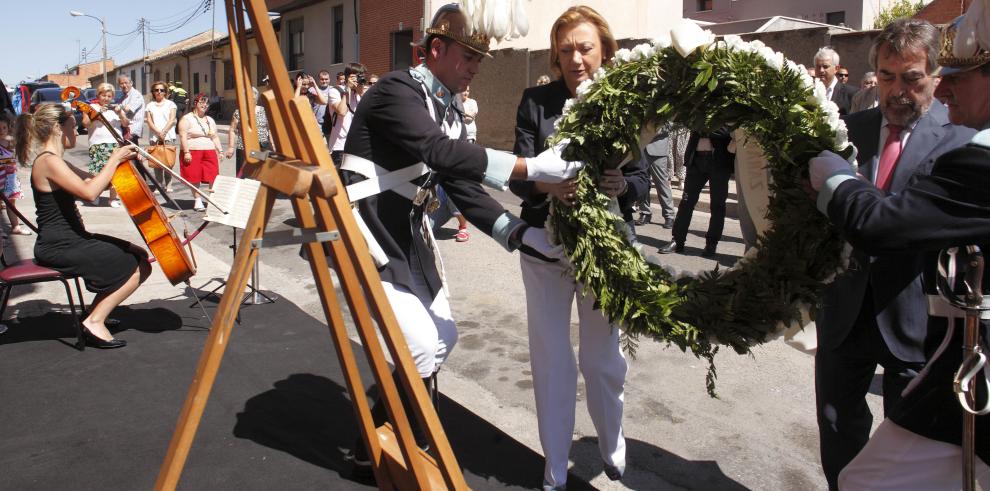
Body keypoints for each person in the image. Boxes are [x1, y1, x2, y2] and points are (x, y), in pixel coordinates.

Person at [340, 2, 581, 475]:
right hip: (369, 228)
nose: (474, 69)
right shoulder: (397, 90)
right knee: (419, 345)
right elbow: (439, 152)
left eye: (477, 59)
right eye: (468, 57)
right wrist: (530, 168)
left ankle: (385, 441)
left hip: (407, 234)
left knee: (441, 338)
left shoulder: (445, 107)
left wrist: (519, 233)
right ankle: (382, 447)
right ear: (436, 49)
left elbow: (460, 186)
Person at [808, 7, 990, 488]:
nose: (896, 91)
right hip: (844, 312)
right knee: (837, 428)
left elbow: (887, 223)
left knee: (909, 450)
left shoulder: (966, 143)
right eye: (887, 77)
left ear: (935, 77)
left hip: (915, 322)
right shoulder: (847, 129)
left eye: (911, 79)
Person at [511, 6, 649, 489]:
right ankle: (554, 469)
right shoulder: (536, 101)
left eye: (585, 47)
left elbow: (640, 177)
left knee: (600, 361)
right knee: (551, 361)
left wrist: (621, 184)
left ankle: (612, 445)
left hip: (603, 251)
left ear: (605, 50)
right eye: (565, 49)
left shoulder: (626, 103)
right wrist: (548, 188)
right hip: (545, 252)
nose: (575, 58)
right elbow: (520, 173)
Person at [14, 103, 151, 348]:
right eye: (73, 126)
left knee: (139, 255)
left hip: (71, 239)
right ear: (58, 128)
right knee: (137, 266)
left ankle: (95, 312)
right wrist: (113, 158)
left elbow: (95, 181)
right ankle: (94, 322)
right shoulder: (48, 162)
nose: (76, 132)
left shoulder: (57, 161)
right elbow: (90, 193)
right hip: (59, 245)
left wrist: (125, 163)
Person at [659, 128, 734, 257]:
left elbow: (728, 132)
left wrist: (707, 129)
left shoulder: (726, 110)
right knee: (686, 202)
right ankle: (678, 241)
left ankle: (711, 244)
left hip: (719, 161)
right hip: (696, 159)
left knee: (718, 205)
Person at [84, 82, 129, 208]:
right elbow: (85, 123)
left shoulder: (115, 109)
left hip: (114, 145)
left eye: (109, 96)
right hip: (97, 144)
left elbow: (125, 124)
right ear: (98, 95)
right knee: (97, 173)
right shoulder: (91, 107)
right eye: (103, 95)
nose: (106, 98)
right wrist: (96, 115)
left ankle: (112, 198)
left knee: (115, 172)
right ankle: (95, 195)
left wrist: (120, 114)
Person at [177, 93, 224, 211]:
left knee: (213, 175)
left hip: (209, 151)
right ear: (195, 104)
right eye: (202, 102)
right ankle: (198, 201)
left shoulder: (210, 120)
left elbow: (215, 136)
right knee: (194, 176)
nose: (205, 105)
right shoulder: (186, 119)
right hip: (193, 151)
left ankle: (212, 199)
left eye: (207, 103)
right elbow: (182, 136)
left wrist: (220, 150)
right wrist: (186, 152)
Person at [225, 86, 272, 176]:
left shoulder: (264, 111)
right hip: (243, 149)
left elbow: (270, 129)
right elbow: (232, 129)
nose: (250, 100)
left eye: (252, 98)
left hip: (261, 148)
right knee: (243, 175)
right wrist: (231, 147)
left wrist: (272, 144)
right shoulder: (238, 112)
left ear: (256, 99)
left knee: (260, 174)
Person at [327, 63, 367, 167]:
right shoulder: (335, 91)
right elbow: (342, 112)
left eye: (360, 76)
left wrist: (360, 91)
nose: (356, 80)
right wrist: (347, 91)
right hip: (340, 146)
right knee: (340, 181)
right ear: (346, 77)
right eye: (354, 76)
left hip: (357, 147)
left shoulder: (360, 93)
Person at [634, 127, 675, 228]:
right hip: (640, 148)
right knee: (642, 182)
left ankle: (669, 215)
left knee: (662, 184)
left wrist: (649, 130)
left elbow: (669, 125)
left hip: (658, 150)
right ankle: (645, 213)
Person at [144, 81, 178, 192]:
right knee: (157, 162)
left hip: (168, 136)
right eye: (156, 90)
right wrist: (158, 133)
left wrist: (164, 132)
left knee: (168, 161)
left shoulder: (171, 104)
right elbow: (149, 121)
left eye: (161, 90)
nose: (159, 92)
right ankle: (159, 184)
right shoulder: (150, 106)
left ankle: (168, 184)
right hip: (155, 137)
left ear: (165, 92)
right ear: (153, 92)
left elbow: (172, 119)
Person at [0, 115, 29, 236]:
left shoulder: (12, 141)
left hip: (10, 176)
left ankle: (15, 226)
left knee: (11, 203)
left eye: (4, 127)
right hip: (0, 175)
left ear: (8, 127)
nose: (1, 130)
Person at [815, 47, 858, 115]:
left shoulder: (851, 94)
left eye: (825, 67)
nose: (821, 70)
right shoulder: (810, 92)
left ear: (836, 68)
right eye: (818, 66)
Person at [117, 74, 145, 146]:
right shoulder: (123, 97)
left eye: (126, 83)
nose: (124, 85)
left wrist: (119, 107)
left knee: (132, 154)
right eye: (121, 83)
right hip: (125, 130)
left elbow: (127, 109)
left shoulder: (136, 95)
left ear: (131, 83)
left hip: (132, 131)